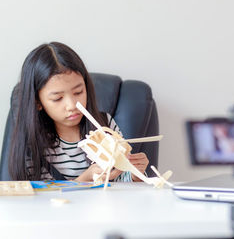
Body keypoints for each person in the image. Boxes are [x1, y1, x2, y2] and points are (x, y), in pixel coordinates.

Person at [8, 42, 149, 182]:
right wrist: (85, 179)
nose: (72, 105)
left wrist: (135, 175)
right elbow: (40, 196)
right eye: (58, 98)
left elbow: (123, 182)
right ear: (37, 102)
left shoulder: (105, 124)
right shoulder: (32, 142)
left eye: (78, 92)